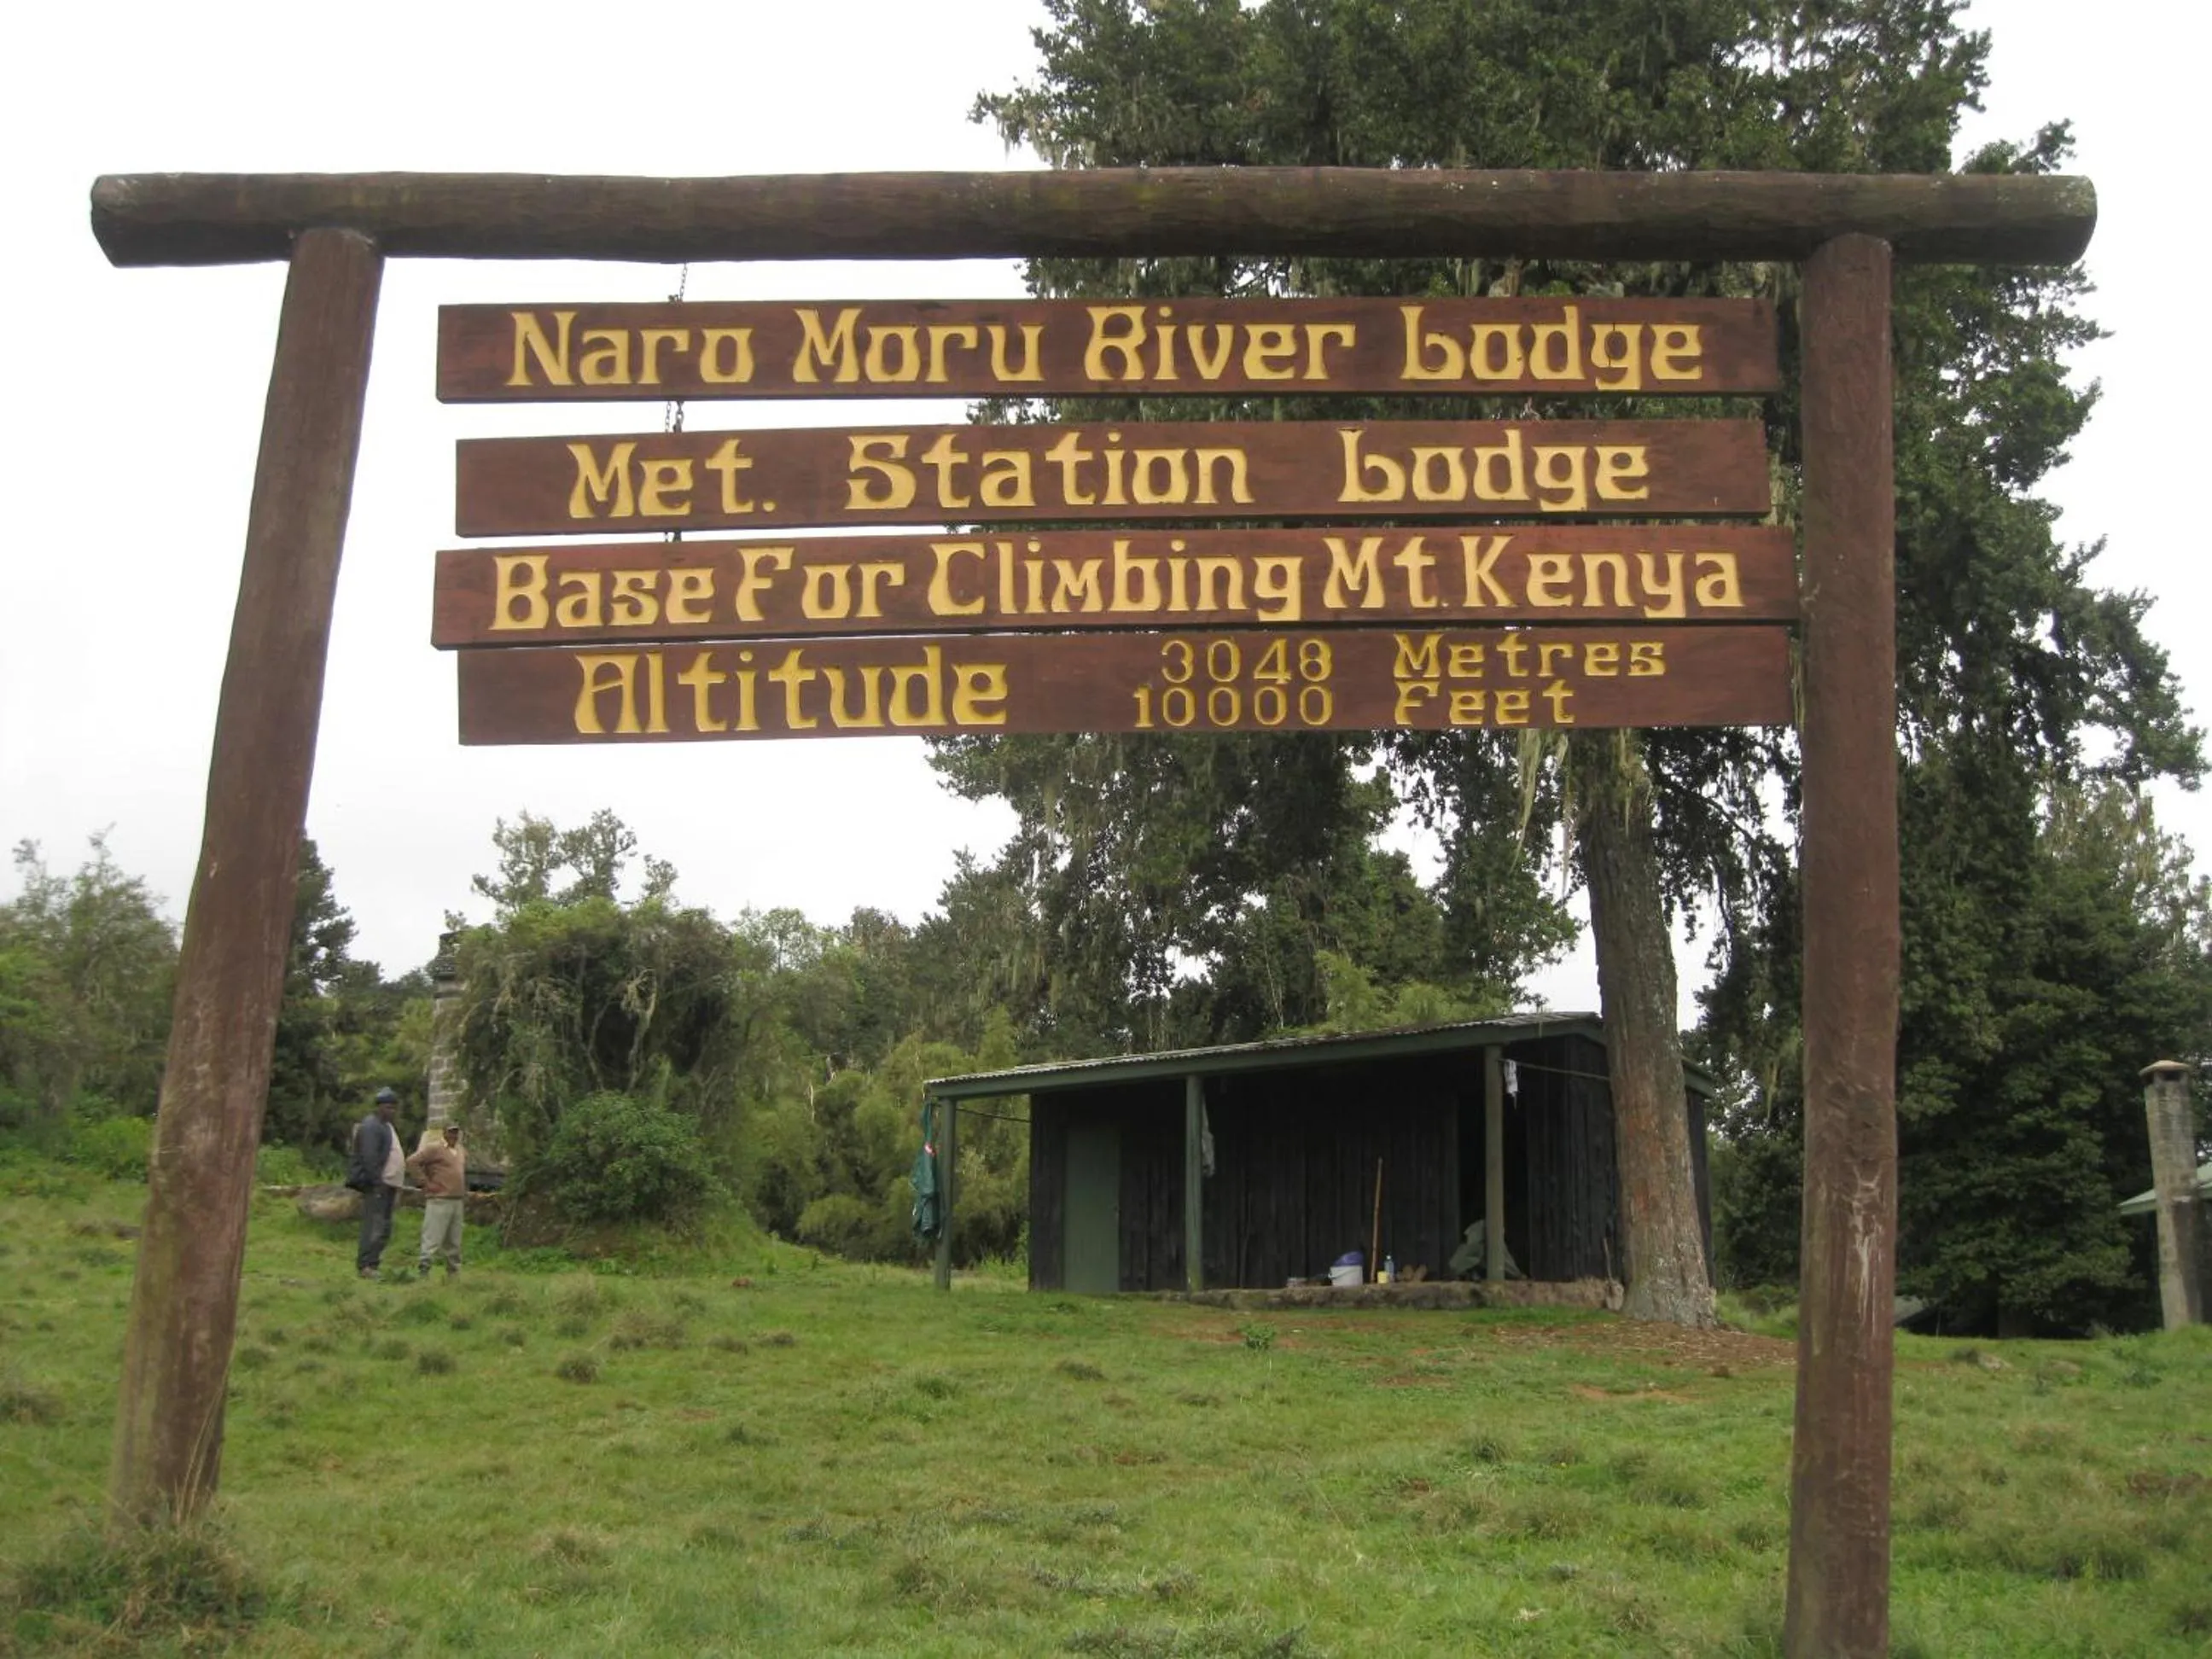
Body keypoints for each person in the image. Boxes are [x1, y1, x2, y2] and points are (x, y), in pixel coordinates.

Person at [349, 1087, 405, 1278]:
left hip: (388, 1185)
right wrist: (376, 1182)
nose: (392, 1111)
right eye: (388, 1107)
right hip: (377, 1185)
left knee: (384, 1227)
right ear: (379, 1107)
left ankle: (374, 1263)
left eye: (394, 1108)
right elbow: (369, 1157)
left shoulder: (386, 1126)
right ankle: (366, 1265)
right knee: (374, 1225)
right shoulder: (372, 1126)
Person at [407, 1121, 467, 1278]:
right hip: (439, 1198)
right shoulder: (434, 1148)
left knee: (454, 1240)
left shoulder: (460, 1150)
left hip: (457, 1199)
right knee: (433, 1236)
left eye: (456, 1133)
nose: (453, 1136)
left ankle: (453, 1273)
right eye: (451, 1132)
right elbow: (412, 1162)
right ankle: (424, 1269)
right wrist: (425, 1183)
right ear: (444, 1133)